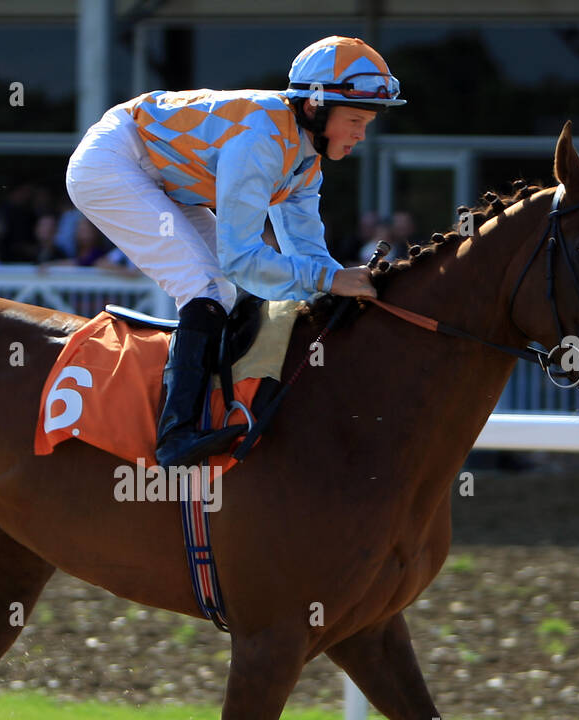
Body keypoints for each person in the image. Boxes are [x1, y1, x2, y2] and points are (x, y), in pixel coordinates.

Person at [65, 35, 403, 468]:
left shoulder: (306, 158)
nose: (362, 134)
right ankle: (175, 434)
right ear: (315, 108)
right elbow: (241, 258)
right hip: (112, 162)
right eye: (355, 119)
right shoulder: (261, 139)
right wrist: (329, 280)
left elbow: (308, 254)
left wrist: (342, 284)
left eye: (367, 122)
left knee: (223, 288)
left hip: (166, 172)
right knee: (207, 287)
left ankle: (218, 403)